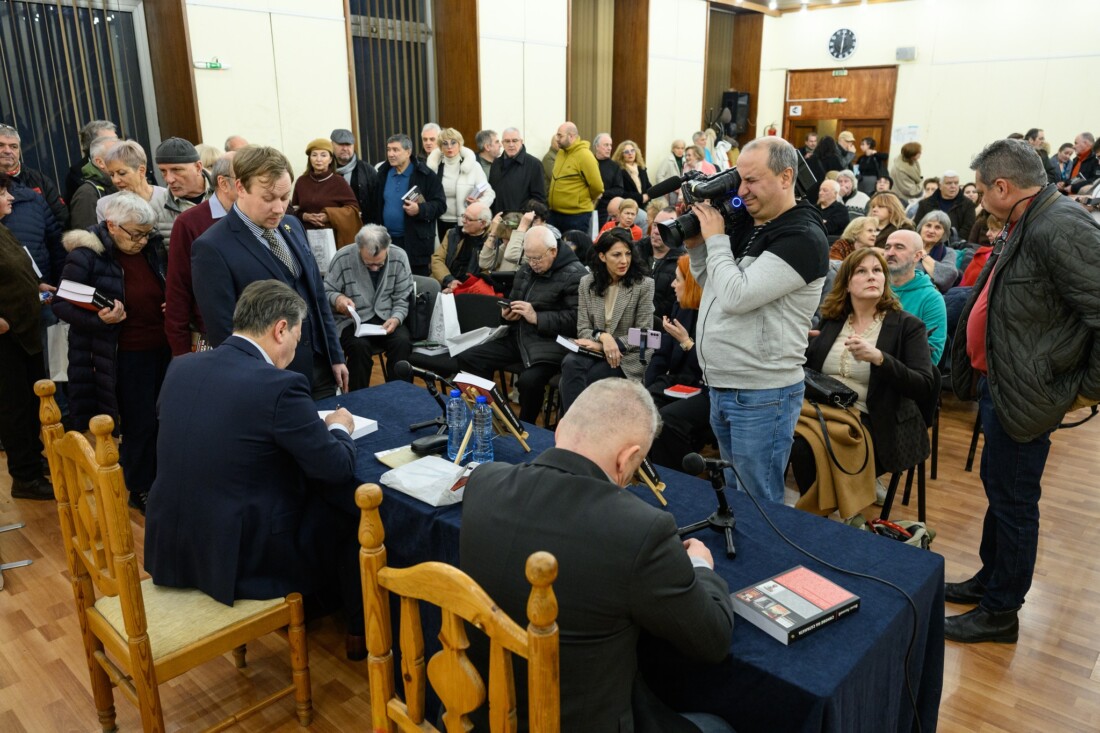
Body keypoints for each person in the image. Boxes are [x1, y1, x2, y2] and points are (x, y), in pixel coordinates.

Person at [459, 378, 735, 733]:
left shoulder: (483, 483)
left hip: (478, 711)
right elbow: (712, 641)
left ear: (560, 430)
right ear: (628, 458)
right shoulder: (641, 529)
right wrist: (701, 566)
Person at [144, 280, 365, 656]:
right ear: (281, 329)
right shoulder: (279, 387)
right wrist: (340, 428)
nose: (296, 349)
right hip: (241, 561)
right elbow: (337, 468)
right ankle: (359, 633)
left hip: (175, 545)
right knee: (350, 508)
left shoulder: (180, 367)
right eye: (297, 335)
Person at [946, 138, 1100, 643]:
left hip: (1029, 390)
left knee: (1014, 502)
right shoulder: (1027, 218)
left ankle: (1001, 612)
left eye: (981, 190)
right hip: (1006, 383)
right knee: (1000, 489)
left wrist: (1081, 391)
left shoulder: (1060, 225)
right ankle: (991, 581)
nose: (978, 199)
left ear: (1004, 186)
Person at [686, 137, 829, 504]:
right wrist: (698, 247)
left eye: (752, 180)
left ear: (786, 177)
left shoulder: (802, 236)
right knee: (736, 496)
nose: (741, 190)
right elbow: (713, 284)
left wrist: (716, 239)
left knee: (758, 502)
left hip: (762, 392)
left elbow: (737, 296)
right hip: (726, 384)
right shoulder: (751, 224)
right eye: (739, 180)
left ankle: (764, 561)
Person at [192, 145, 348, 399]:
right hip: (269, 381)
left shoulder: (292, 225)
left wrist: (335, 354)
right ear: (240, 187)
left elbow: (316, 295)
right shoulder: (211, 248)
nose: (279, 208)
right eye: (268, 199)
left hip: (321, 368)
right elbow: (223, 331)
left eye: (285, 197)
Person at [790, 248, 935, 515]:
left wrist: (881, 358)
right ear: (846, 283)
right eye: (862, 271)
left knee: (804, 450)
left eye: (878, 271)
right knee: (786, 437)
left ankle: (814, 519)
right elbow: (809, 370)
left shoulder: (907, 326)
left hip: (877, 421)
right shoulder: (833, 321)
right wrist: (799, 344)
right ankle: (822, 519)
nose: (872, 277)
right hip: (821, 411)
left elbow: (925, 385)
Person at [52, 193, 168, 512]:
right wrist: (98, 318)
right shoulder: (87, 255)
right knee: (140, 422)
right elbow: (61, 303)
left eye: (147, 233)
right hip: (123, 353)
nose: (143, 240)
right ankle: (141, 486)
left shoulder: (150, 247)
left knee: (164, 417)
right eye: (136, 234)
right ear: (112, 226)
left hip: (162, 346)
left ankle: (165, 479)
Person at [457, 226, 587, 424]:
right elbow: (514, 300)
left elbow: (576, 320)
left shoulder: (576, 275)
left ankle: (525, 426)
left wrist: (537, 317)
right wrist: (507, 314)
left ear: (553, 251)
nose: (532, 264)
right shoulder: (527, 269)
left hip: (552, 343)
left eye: (537, 258)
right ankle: (494, 417)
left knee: (529, 382)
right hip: (519, 336)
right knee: (470, 358)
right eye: (529, 258)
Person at [560, 228, 655, 414]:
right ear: (602, 257)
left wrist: (612, 344)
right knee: (570, 363)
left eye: (628, 254)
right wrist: (602, 338)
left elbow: (646, 335)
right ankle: (574, 427)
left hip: (627, 356)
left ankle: (575, 428)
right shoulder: (587, 283)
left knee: (589, 379)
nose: (624, 261)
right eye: (617, 255)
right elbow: (583, 329)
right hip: (596, 348)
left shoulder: (643, 285)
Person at [0, 172, 53, 500]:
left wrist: (37, 286)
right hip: (6, 338)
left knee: (30, 400)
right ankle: (25, 478)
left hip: (24, 331)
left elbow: (18, 268)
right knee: (14, 408)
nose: (10, 198)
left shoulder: (4, 229)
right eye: (3, 193)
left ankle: (34, 460)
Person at [164, 152, 237, 356]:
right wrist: (181, 354)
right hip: (210, 339)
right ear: (223, 183)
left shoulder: (259, 217)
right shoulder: (189, 223)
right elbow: (178, 290)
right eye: (245, 179)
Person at [645, 255, 712, 472]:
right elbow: (662, 353)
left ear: (692, 283)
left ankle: (678, 477)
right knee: (639, 406)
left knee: (668, 420)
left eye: (678, 279)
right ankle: (645, 471)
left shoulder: (714, 315)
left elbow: (710, 368)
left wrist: (686, 343)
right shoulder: (680, 306)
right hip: (676, 381)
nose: (673, 285)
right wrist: (648, 388)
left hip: (707, 389)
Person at [325, 224, 413, 387]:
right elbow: (327, 290)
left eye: (379, 264)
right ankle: (357, 400)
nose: (374, 268)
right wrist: (338, 299)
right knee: (358, 348)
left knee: (402, 342)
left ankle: (401, 393)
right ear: (359, 248)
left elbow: (403, 297)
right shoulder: (342, 257)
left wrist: (396, 318)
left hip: (388, 316)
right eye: (368, 264)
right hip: (352, 320)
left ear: (387, 248)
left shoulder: (399, 256)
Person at [370, 133, 446, 277]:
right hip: (386, 242)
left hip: (415, 244)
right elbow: (375, 207)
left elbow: (440, 205)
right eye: (388, 149)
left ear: (408, 152)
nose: (391, 154)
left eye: (396, 150)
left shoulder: (425, 175)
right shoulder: (382, 174)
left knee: (415, 285)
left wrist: (420, 209)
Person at [882, 229, 947, 364]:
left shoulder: (932, 299)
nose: (890, 253)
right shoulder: (873, 287)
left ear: (917, 256)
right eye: (887, 247)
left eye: (899, 247)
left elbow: (931, 357)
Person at [427, 127, 496, 242]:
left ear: (460, 145)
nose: (449, 147)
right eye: (445, 143)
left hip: (467, 222)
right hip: (439, 222)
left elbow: (489, 193)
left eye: (453, 143)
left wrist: (478, 204)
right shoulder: (434, 168)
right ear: (440, 147)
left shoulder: (473, 166)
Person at [290, 138, 361, 247]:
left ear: (331, 159)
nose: (318, 159)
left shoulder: (339, 182)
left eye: (323, 155)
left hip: (332, 239)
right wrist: (304, 216)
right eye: (314, 155)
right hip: (305, 238)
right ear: (309, 159)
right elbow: (292, 210)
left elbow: (353, 210)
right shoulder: (301, 182)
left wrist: (329, 215)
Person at [0, 123, 69, 230]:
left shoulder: (40, 180)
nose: (8, 151)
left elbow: (61, 217)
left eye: (13, 146)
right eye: (1, 145)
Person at [154, 137, 214, 248]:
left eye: (176, 170)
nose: (169, 179)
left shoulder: (227, 193)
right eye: (163, 171)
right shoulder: (156, 209)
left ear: (198, 167)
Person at [547, 121, 603, 234]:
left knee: (574, 251)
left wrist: (582, 200)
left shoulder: (585, 156)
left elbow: (597, 187)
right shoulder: (561, 153)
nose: (556, 138)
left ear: (571, 136)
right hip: (555, 214)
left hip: (576, 217)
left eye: (560, 135)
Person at [97, 141, 170, 227]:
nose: (115, 180)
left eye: (122, 173)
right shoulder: (105, 205)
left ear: (141, 171)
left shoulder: (169, 199)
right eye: (111, 175)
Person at [430, 200, 491, 292]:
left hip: (471, 290)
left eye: (468, 219)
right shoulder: (452, 234)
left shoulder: (490, 242)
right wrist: (450, 281)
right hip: (444, 282)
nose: (463, 221)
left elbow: (486, 272)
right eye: (463, 216)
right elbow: (437, 259)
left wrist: (461, 288)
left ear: (482, 223)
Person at [639, 206, 684, 326]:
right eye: (655, 225)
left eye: (663, 227)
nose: (656, 231)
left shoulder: (683, 263)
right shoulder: (633, 253)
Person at [488, 127, 545, 215]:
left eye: (515, 141)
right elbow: (491, 192)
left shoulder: (534, 164)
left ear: (521, 142)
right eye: (507, 141)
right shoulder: (496, 163)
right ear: (502, 143)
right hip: (498, 219)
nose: (511, 144)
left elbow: (539, 198)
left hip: (521, 221)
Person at [330, 128, 381, 226]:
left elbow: (377, 203)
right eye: (341, 144)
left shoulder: (367, 170)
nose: (345, 148)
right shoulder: (325, 170)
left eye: (348, 145)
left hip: (362, 226)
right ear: (331, 144)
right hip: (333, 227)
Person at [68, 136, 119, 230]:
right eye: (116, 155)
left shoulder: (121, 184)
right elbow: (87, 239)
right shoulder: (87, 193)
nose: (124, 158)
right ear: (100, 162)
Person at [914, 170, 977, 246]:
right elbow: (918, 225)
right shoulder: (925, 204)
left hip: (957, 246)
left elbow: (968, 228)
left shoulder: (968, 204)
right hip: (928, 244)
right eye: (949, 183)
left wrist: (954, 242)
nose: (953, 186)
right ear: (940, 186)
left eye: (956, 183)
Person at [65, 119, 118, 202]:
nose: (117, 144)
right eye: (110, 140)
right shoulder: (77, 176)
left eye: (116, 139)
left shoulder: (127, 160)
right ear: (93, 144)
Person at [915, 210, 960, 293]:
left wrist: (924, 255)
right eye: (928, 225)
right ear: (921, 228)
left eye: (938, 227)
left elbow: (948, 276)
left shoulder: (949, 252)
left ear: (944, 233)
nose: (931, 231)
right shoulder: (909, 247)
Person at [592, 132, 624, 226]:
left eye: (610, 145)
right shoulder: (589, 162)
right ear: (597, 147)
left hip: (605, 209)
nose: (609, 148)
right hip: (586, 207)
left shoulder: (614, 167)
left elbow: (619, 190)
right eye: (606, 145)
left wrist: (602, 194)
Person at [613, 139, 651, 212]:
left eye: (632, 150)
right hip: (627, 208)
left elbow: (648, 186)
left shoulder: (641, 168)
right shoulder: (618, 171)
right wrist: (640, 198)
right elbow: (621, 192)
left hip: (644, 206)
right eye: (626, 152)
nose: (630, 153)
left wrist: (649, 195)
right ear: (621, 155)